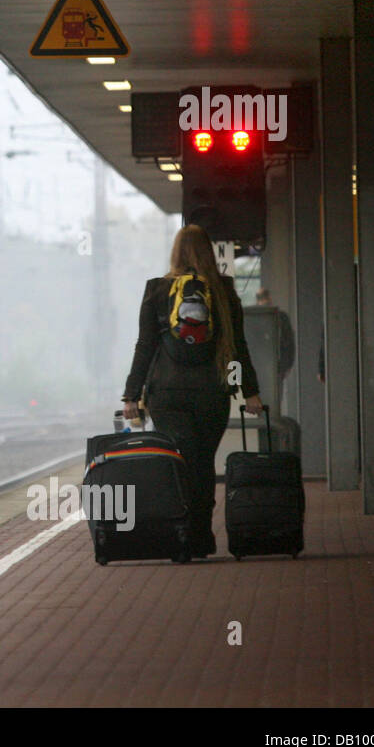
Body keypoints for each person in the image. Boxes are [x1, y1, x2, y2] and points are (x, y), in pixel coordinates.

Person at [121, 225, 264, 558]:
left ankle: (181, 538)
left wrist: (131, 395)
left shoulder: (156, 290)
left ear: (175, 252)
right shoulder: (223, 289)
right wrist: (250, 392)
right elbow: (238, 347)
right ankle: (200, 537)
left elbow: (145, 346)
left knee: (179, 463)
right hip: (210, 392)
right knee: (202, 465)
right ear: (208, 253)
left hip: (166, 394)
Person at [255, 288, 296, 398]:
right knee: (274, 395)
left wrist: (287, 364)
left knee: (272, 395)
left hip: (270, 365)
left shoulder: (257, 319)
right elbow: (289, 342)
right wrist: (288, 364)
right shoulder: (280, 317)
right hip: (270, 364)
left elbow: (289, 342)